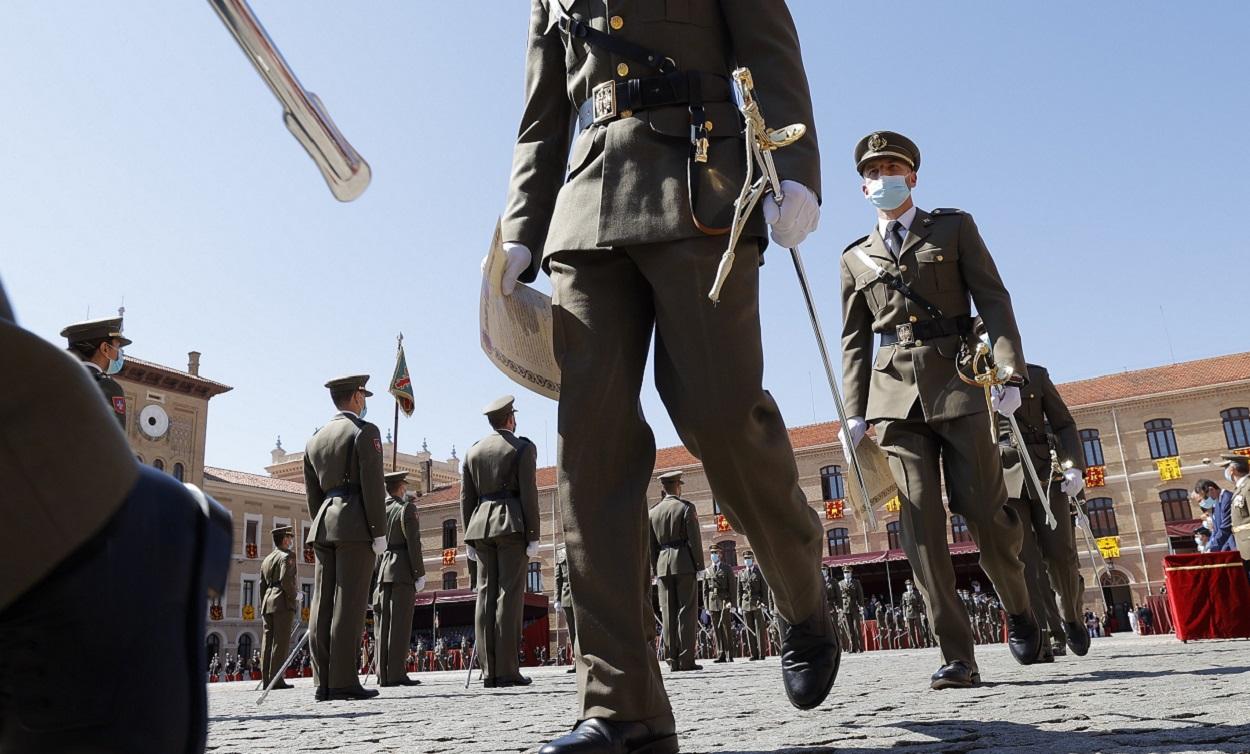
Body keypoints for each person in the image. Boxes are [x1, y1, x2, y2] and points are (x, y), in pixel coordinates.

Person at [498, 2, 839, 749]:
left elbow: (771, 49)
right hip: (586, 211)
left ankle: (801, 590)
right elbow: (542, 118)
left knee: (719, 415)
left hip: (703, 180)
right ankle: (625, 709)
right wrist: (519, 233)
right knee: (590, 455)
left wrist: (799, 170)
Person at [839, 131, 1041, 689]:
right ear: (862, 185)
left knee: (985, 513)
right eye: (874, 171)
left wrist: (1009, 370)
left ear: (913, 177)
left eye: (893, 168)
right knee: (920, 522)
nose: (884, 178)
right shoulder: (854, 256)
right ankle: (958, 654)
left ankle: (1019, 604)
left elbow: (994, 300)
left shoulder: (953, 227)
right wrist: (853, 411)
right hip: (894, 401)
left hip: (958, 383)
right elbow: (855, 340)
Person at [0, 281, 232, 753]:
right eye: (117, 348)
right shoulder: (102, 386)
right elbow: (109, 453)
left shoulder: (53, 369)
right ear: (107, 348)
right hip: (82, 517)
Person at [991, 355, 1091, 659]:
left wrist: (1075, 468)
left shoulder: (1035, 375)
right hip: (1003, 475)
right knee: (1025, 562)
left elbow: (1063, 423)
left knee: (1061, 554)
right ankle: (1043, 636)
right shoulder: (972, 381)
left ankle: (1071, 615)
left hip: (1045, 471)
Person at [303, 375, 388, 701]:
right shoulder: (365, 432)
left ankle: (322, 681)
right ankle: (342, 681)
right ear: (355, 397)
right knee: (349, 605)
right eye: (363, 395)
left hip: (324, 523)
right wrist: (378, 532)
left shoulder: (315, 439)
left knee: (322, 603)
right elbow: (372, 485)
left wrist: (323, 522)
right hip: (354, 524)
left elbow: (313, 495)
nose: (364, 401)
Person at [461, 396, 541, 689]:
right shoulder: (521, 448)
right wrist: (534, 535)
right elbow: (529, 495)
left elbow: (466, 498)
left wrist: (468, 533)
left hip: (480, 526)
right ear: (510, 418)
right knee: (508, 595)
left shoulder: (473, 452)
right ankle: (507, 668)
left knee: (485, 595)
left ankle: (488, 669)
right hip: (510, 523)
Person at [374, 471, 427, 687]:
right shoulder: (406, 508)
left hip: (382, 568)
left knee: (382, 626)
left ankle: (382, 673)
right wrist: (419, 573)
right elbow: (413, 542)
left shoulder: (377, 512)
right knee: (399, 625)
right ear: (402, 488)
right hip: (402, 569)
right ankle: (395, 673)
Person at [648, 470, 704, 672]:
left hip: (663, 566)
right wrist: (700, 566)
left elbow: (651, 546)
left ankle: (671, 659)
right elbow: (694, 541)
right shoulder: (686, 508)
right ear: (678, 486)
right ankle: (686, 659)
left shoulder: (653, 512)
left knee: (667, 613)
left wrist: (656, 568)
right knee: (686, 611)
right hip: (684, 563)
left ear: (663, 488)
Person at [59, 316, 131, 427]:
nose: (119, 354)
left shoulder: (56, 381)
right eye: (117, 347)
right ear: (105, 348)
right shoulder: (106, 386)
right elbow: (112, 440)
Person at [260, 525, 298, 690]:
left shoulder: (267, 559)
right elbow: (285, 581)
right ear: (284, 539)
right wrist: (295, 595)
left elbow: (262, 585)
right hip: (281, 602)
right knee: (280, 643)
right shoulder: (287, 556)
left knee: (267, 642)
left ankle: (266, 679)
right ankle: (276, 679)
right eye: (289, 537)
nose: (291, 541)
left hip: (268, 601)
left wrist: (265, 602)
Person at [1217, 454, 1250, 581]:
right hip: (1243, 547)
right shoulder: (1239, 489)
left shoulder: (1248, 486)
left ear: (1232, 470)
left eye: (1226, 467)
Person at [703, 543, 737, 663]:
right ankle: (720, 653)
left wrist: (733, 604)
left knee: (726, 628)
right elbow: (705, 590)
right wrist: (706, 606)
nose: (713, 555)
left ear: (720, 555)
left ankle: (729, 654)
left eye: (715, 553)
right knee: (716, 629)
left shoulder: (727, 568)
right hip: (712, 602)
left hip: (724, 601)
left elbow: (732, 588)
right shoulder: (707, 570)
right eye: (712, 553)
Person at [739, 550, 770, 660]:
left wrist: (764, 603)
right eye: (746, 559)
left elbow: (764, 590)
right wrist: (739, 606)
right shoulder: (741, 573)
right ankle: (753, 653)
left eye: (749, 558)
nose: (747, 560)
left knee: (759, 630)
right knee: (749, 630)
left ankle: (762, 653)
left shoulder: (758, 572)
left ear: (753, 560)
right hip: (746, 604)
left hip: (757, 603)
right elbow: (739, 591)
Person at [1198, 478, 1237, 556]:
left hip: (1236, 544)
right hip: (1227, 546)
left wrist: (1214, 548)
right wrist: (1211, 548)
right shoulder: (1216, 503)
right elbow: (1217, 531)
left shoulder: (1227, 498)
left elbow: (1225, 528)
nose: (1203, 502)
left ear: (1211, 489)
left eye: (1204, 498)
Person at [554, 544, 577, 673]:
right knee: (572, 631)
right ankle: (576, 662)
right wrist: (557, 599)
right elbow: (558, 577)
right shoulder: (561, 551)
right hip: (567, 596)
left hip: (584, 596)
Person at [841, 567, 865, 653]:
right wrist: (840, 608)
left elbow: (860, 595)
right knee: (849, 628)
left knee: (856, 628)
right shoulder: (841, 583)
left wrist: (861, 606)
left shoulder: (856, 582)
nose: (846, 574)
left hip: (854, 607)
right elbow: (840, 597)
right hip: (845, 608)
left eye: (848, 572)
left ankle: (859, 647)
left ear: (851, 573)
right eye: (845, 572)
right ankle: (852, 647)